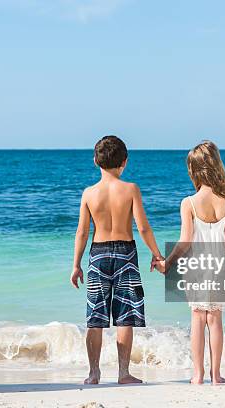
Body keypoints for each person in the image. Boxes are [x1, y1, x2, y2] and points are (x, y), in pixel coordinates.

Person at [71, 135, 164, 385]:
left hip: (98, 255)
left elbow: (81, 232)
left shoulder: (89, 194)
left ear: (95, 161)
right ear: (125, 162)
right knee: (126, 314)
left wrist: (76, 264)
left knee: (96, 316)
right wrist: (157, 254)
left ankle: (94, 373)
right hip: (126, 254)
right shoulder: (131, 189)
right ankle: (123, 373)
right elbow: (143, 228)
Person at [155, 141, 225, 384]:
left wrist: (168, 262)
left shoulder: (189, 203)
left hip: (196, 267)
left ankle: (198, 374)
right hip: (221, 266)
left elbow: (184, 242)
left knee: (197, 317)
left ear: (193, 171)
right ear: (217, 165)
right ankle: (216, 374)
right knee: (215, 319)